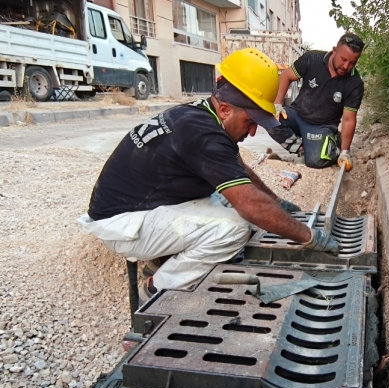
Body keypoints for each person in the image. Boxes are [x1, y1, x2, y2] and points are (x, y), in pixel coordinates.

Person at [78, 48, 339, 301]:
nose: (251, 133)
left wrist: (276, 202)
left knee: (232, 202)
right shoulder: (203, 135)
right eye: (250, 122)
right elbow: (250, 204)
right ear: (225, 109)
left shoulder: (201, 115)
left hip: (141, 207)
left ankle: (163, 258)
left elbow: (240, 170)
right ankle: (159, 289)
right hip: (124, 224)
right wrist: (309, 237)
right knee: (234, 229)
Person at [266, 33, 365, 170]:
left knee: (315, 161)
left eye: (352, 63)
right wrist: (277, 104)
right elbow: (285, 76)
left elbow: (348, 119)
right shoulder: (312, 59)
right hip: (297, 115)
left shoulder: (355, 84)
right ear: (334, 50)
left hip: (321, 125)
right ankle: (301, 148)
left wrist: (344, 152)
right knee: (268, 116)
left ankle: (335, 142)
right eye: (343, 59)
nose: (346, 66)